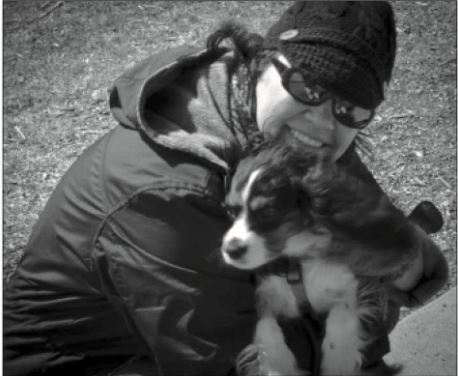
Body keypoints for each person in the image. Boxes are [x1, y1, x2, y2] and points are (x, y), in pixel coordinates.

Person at [3, 2, 448, 376]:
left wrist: (400, 265)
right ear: (263, 62)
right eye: (307, 85)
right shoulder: (163, 192)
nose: (322, 120)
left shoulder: (300, 142)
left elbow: (383, 248)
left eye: (351, 110)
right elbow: (223, 362)